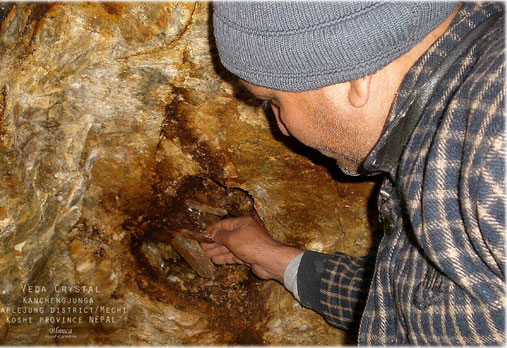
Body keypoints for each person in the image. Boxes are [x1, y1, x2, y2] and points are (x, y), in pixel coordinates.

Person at [201, 2, 505, 345]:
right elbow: (429, 309)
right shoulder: (447, 130)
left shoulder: (493, 142)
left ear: (354, 77)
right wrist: (277, 260)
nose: (282, 128)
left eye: (272, 101)